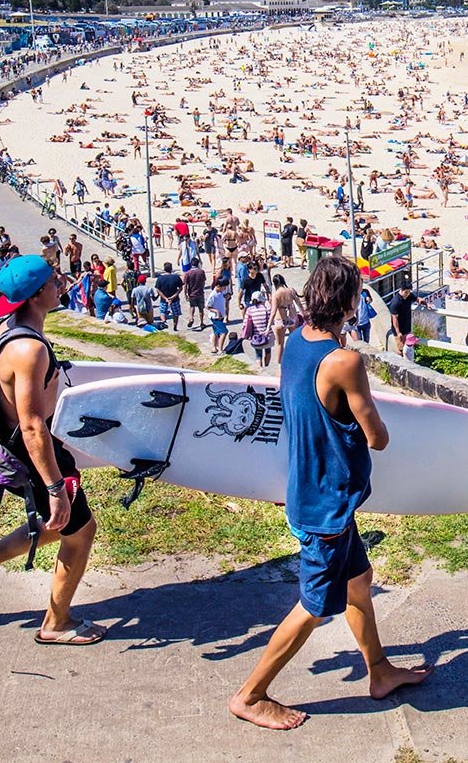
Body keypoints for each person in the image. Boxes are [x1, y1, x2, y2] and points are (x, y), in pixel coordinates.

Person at [230, 255, 429, 728]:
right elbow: (376, 436)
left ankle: (379, 671)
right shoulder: (344, 361)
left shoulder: (297, 342)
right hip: (326, 504)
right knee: (315, 606)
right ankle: (251, 695)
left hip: (310, 487)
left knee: (359, 583)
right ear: (350, 302)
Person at [0, 257, 105, 645]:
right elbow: (31, 424)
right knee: (79, 533)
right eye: (53, 281)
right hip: (33, 456)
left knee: (55, 526)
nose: (60, 284)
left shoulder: (10, 328)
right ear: (36, 295)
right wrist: (53, 487)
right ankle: (56, 622)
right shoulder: (29, 350)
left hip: (25, 451)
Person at [385, 278, 415, 352]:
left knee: (408, 348)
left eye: (409, 292)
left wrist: (426, 304)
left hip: (407, 328)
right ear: (401, 290)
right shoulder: (395, 302)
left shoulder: (409, 296)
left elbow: (417, 299)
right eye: (406, 292)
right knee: (401, 349)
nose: (407, 294)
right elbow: (394, 318)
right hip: (400, 331)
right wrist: (398, 332)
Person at [154, 262, 183, 326]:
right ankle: (175, 325)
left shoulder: (160, 278)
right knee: (176, 313)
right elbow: (181, 288)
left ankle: (164, 322)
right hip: (175, 299)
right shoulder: (176, 277)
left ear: (164, 269)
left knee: (162, 312)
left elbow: (158, 290)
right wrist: (174, 296)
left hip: (164, 300)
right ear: (171, 269)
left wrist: (165, 298)